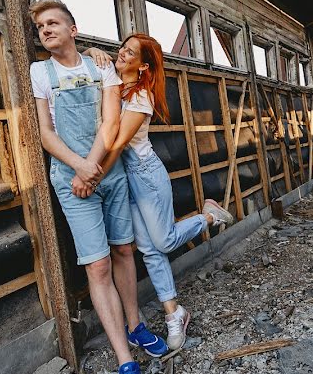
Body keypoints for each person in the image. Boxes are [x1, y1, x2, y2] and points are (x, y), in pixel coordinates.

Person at [29, 0, 166, 374]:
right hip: (73, 181)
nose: (46, 30)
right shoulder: (41, 72)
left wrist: (95, 168)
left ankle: (136, 323)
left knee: (125, 250)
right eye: (40, 27)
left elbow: (110, 124)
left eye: (54, 23)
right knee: (98, 266)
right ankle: (126, 362)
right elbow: (46, 133)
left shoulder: (100, 66)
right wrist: (81, 169)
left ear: (74, 29)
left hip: (110, 175)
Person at [86, 34, 234, 351]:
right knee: (149, 250)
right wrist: (92, 49)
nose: (122, 54)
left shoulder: (141, 98)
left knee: (164, 240)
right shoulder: (112, 79)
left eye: (131, 53)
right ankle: (174, 313)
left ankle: (208, 215)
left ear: (143, 67)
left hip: (146, 174)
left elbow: (116, 143)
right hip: (127, 177)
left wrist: (96, 174)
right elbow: (86, 57)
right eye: (122, 48)